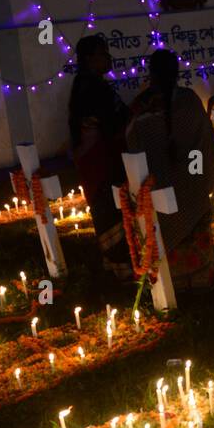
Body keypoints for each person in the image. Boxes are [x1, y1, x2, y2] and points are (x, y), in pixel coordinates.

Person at [126, 49, 214, 291]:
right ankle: (203, 280)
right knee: (192, 225)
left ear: (151, 73)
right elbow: (204, 141)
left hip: (158, 185)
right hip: (192, 183)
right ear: (176, 72)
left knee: (164, 230)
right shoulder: (189, 99)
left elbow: (132, 146)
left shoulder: (140, 107)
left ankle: (173, 284)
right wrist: (205, 174)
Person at [68, 35, 133, 283]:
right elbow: (111, 122)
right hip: (101, 160)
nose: (108, 58)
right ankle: (122, 266)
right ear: (89, 59)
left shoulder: (88, 84)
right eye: (103, 53)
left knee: (108, 208)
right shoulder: (93, 87)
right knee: (111, 207)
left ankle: (115, 264)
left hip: (97, 159)